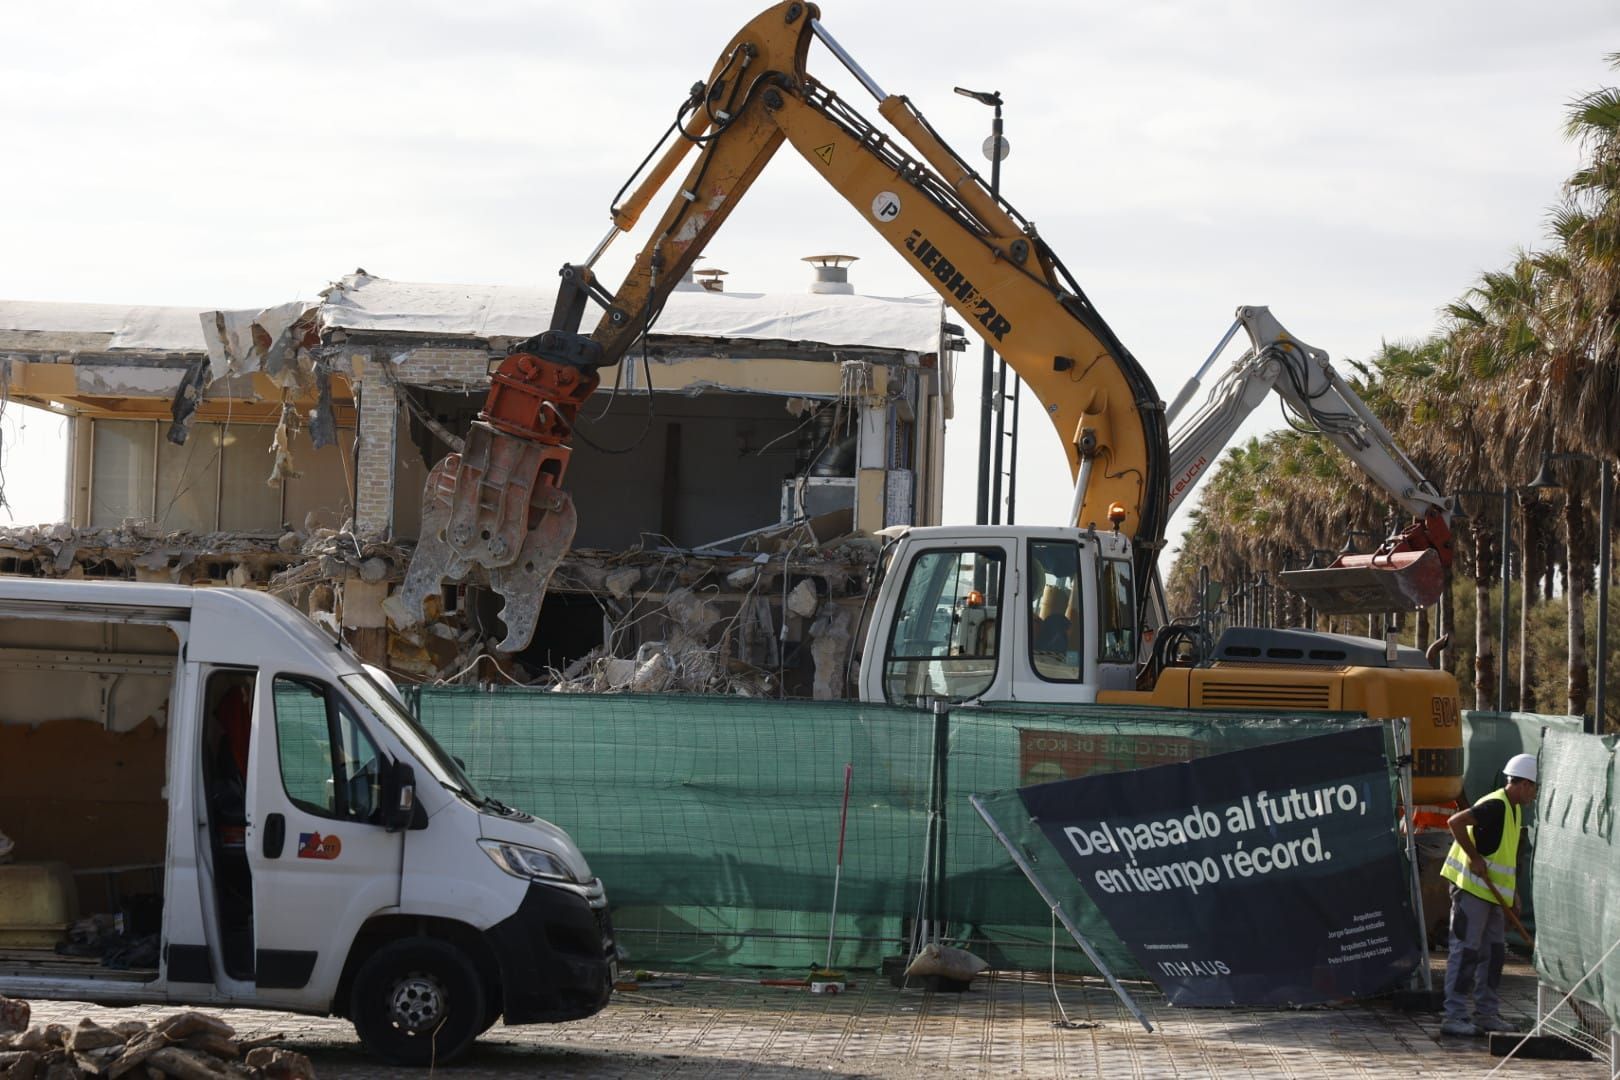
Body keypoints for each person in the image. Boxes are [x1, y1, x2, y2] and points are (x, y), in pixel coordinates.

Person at [1438, 752, 1539, 1036]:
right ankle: (1454, 1015)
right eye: (1534, 788)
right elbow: (1455, 822)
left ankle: (1486, 1013)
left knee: (1494, 954)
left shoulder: (1515, 808)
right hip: (1471, 889)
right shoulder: (1495, 805)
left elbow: (1506, 855)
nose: (1534, 794)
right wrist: (1474, 857)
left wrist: (1515, 893)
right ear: (1523, 784)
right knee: (1466, 952)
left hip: (1494, 895)